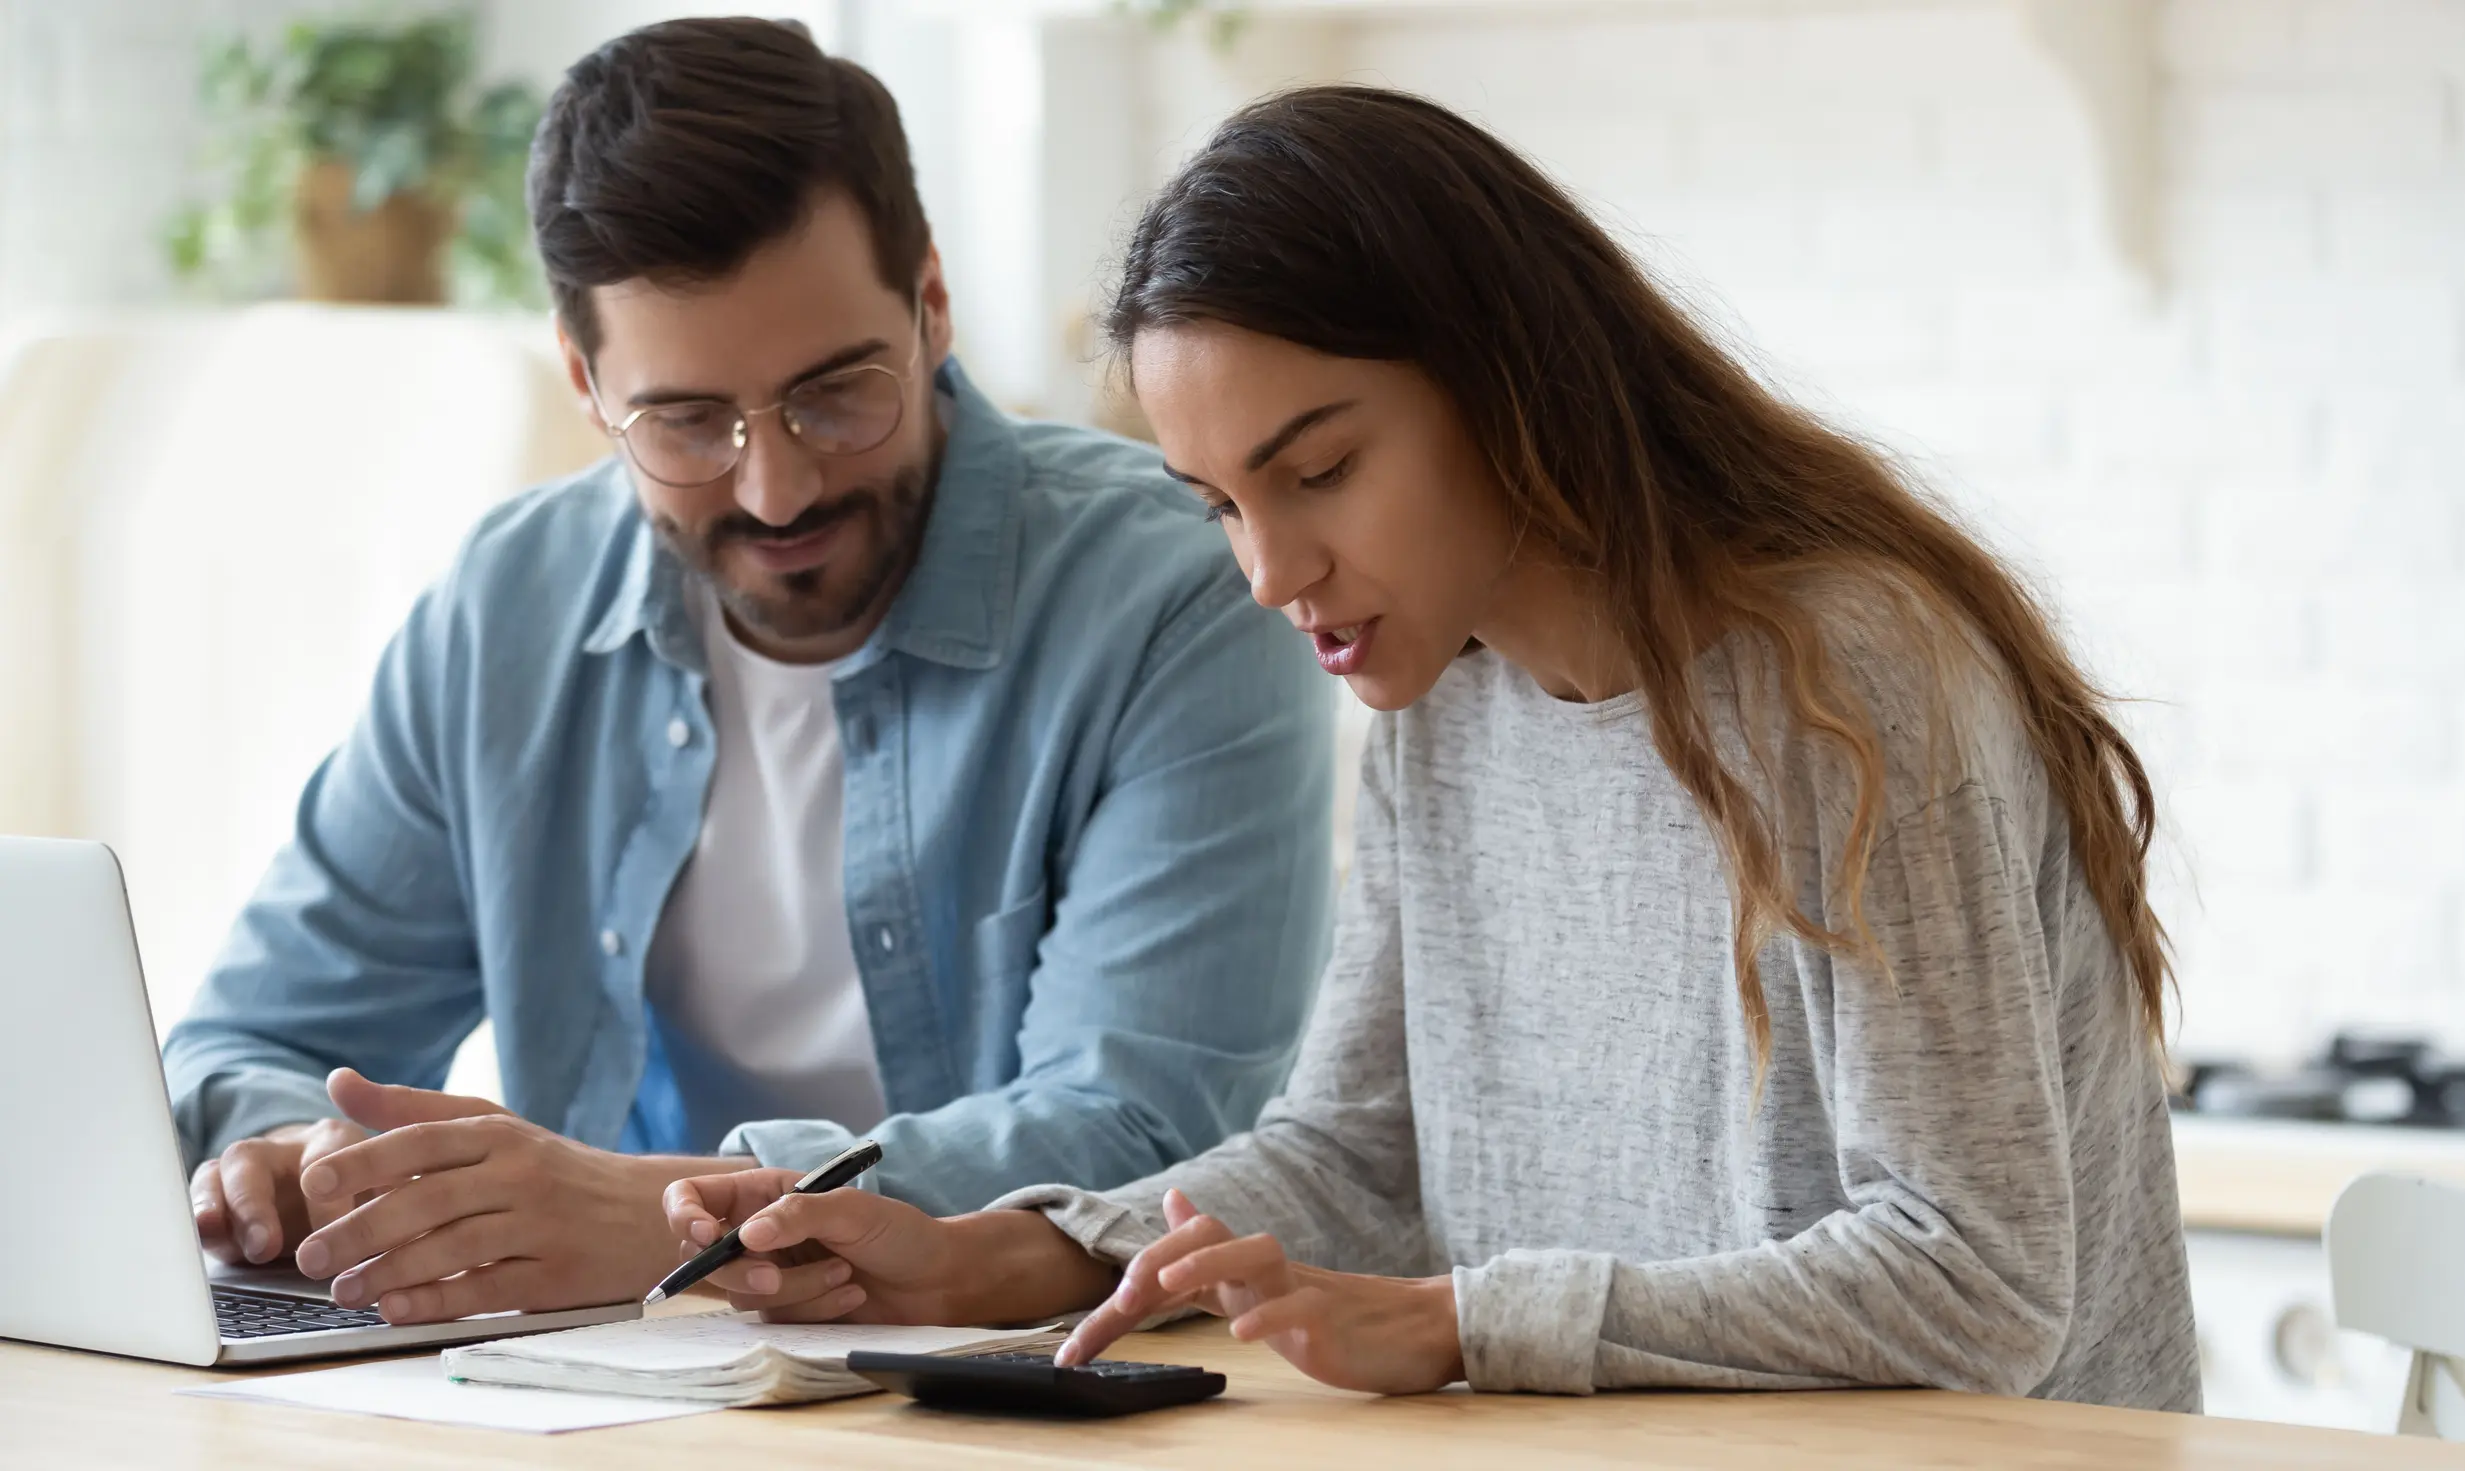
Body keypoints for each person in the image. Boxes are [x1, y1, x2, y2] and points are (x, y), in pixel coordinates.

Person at [659, 84, 2203, 1411]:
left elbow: (1978, 1278)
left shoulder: (1841, 675)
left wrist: (1467, 1322)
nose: (1270, 572)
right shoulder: (1440, 699)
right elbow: (1361, 1154)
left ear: (1504, 382)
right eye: (1220, 503)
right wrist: (1010, 1249)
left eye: (1318, 469)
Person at [163, 18, 1335, 1327]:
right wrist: (303, 1164)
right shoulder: (511, 605)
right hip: (599, 1379)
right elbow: (243, 1042)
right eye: (686, 422)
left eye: (837, 393)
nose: (776, 485)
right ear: (586, 379)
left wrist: (659, 1211)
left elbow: (1149, 1128)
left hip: (1002, 1373)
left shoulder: (1179, 593)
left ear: (931, 302)